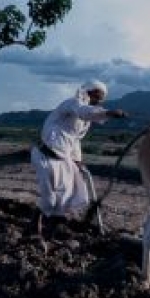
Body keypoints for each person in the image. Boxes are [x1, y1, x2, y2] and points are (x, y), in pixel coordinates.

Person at [30, 79, 127, 239]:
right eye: (98, 95)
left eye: (102, 97)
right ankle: (35, 228)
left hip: (63, 159)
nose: (99, 100)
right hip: (45, 156)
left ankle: (50, 234)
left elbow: (75, 140)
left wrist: (77, 159)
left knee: (64, 198)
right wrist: (109, 113)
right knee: (49, 198)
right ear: (88, 91)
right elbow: (84, 111)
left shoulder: (85, 122)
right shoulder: (72, 104)